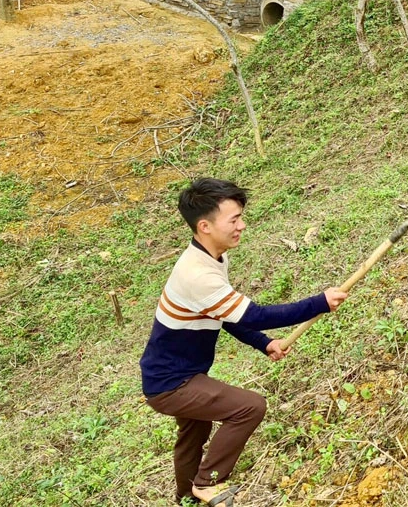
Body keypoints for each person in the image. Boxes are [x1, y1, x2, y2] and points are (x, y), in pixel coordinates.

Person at [140, 178, 348, 506]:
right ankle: (208, 483)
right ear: (204, 226)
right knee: (249, 407)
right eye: (233, 219)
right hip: (171, 383)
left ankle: (186, 498)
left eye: (241, 217)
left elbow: (226, 316)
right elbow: (254, 315)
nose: (242, 225)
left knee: (193, 435)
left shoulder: (213, 258)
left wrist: (264, 344)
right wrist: (318, 302)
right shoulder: (198, 275)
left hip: (177, 373)